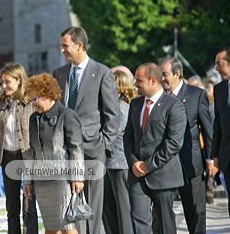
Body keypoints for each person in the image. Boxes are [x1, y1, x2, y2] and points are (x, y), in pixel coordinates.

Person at [53, 26, 120, 234]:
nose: (62, 50)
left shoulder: (102, 72)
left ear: (79, 45)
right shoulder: (60, 74)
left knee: (92, 209)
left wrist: (103, 147)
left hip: (92, 150)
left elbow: (113, 115)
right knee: (66, 207)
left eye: (65, 46)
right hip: (64, 151)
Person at [124, 63, 186, 234]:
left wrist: (147, 165)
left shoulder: (173, 106)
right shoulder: (135, 104)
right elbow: (128, 137)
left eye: (139, 80)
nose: (135, 84)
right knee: (139, 220)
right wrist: (134, 162)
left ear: (153, 81)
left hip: (163, 176)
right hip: (137, 176)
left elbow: (174, 143)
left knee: (164, 225)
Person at [158, 57, 215, 234]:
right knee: (162, 214)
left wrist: (210, 159)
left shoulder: (196, 95)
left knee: (195, 212)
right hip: (163, 165)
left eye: (165, 74)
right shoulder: (158, 95)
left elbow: (208, 130)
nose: (161, 79)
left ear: (177, 74)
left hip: (190, 163)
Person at [23, 72, 84, 234]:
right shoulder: (33, 119)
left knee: (67, 225)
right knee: (50, 226)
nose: (33, 105)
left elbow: (76, 149)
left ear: (48, 94)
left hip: (62, 180)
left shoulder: (68, 115)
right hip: (41, 182)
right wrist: (27, 180)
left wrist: (77, 178)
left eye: (35, 100)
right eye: (31, 101)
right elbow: (32, 151)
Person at [0, 63, 38, 234]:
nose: (4, 86)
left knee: (29, 206)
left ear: (19, 81)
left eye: (8, 82)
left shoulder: (31, 101)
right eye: (2, 82)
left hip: (28, 157)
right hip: (8, 158)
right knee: (12, 207)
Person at [102, 70, 135, 234]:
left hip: (119, 162)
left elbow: (112, 132)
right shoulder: (118, 106)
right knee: (110, 206)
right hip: (112, 162)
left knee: (123, 207)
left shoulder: (122, 107)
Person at [211, 46, 230, 216]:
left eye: (219, 64)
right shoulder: (220, 89)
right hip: (227, 158)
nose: (217, 69)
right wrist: (215, 156)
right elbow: (217, 125)